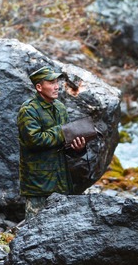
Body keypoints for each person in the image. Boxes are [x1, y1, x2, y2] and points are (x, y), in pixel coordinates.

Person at [17, 66, 86, 219]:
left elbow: (65, 144)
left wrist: (78, 148)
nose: (57, 86)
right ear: (39, 87)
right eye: (51, 83)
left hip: (61, 183)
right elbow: (34, 140)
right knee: (35, 233)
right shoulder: (28, 110)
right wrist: (63, 131)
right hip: (38, 186)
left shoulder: (60, 108)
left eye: (57, 82)